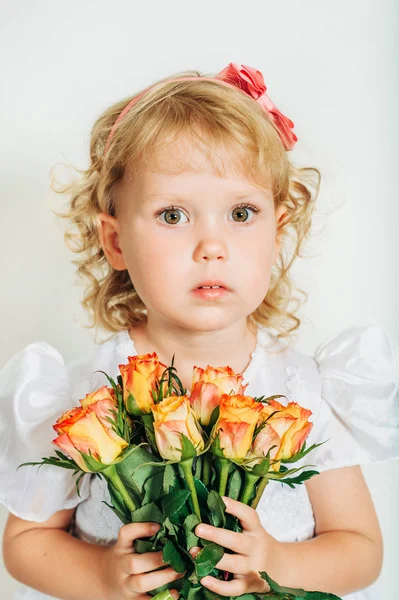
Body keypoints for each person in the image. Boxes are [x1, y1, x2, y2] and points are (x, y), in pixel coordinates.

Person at [1, 62, 398, 600]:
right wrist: (99, 576)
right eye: (172, 215)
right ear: (115, 241)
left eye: (240, 213)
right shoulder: (83, 395)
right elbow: (26, 542)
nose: (212, 245)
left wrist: (278, 562)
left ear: (277, 230)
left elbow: (360, 549)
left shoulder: (305, 389)